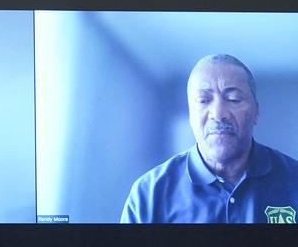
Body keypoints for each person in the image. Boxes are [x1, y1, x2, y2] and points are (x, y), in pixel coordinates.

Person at [121, 54, 298, 223]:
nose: (218, 114)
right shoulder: (149, 194)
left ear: (256, 112)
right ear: (191, 115)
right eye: (203, 100)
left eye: (233, 99)